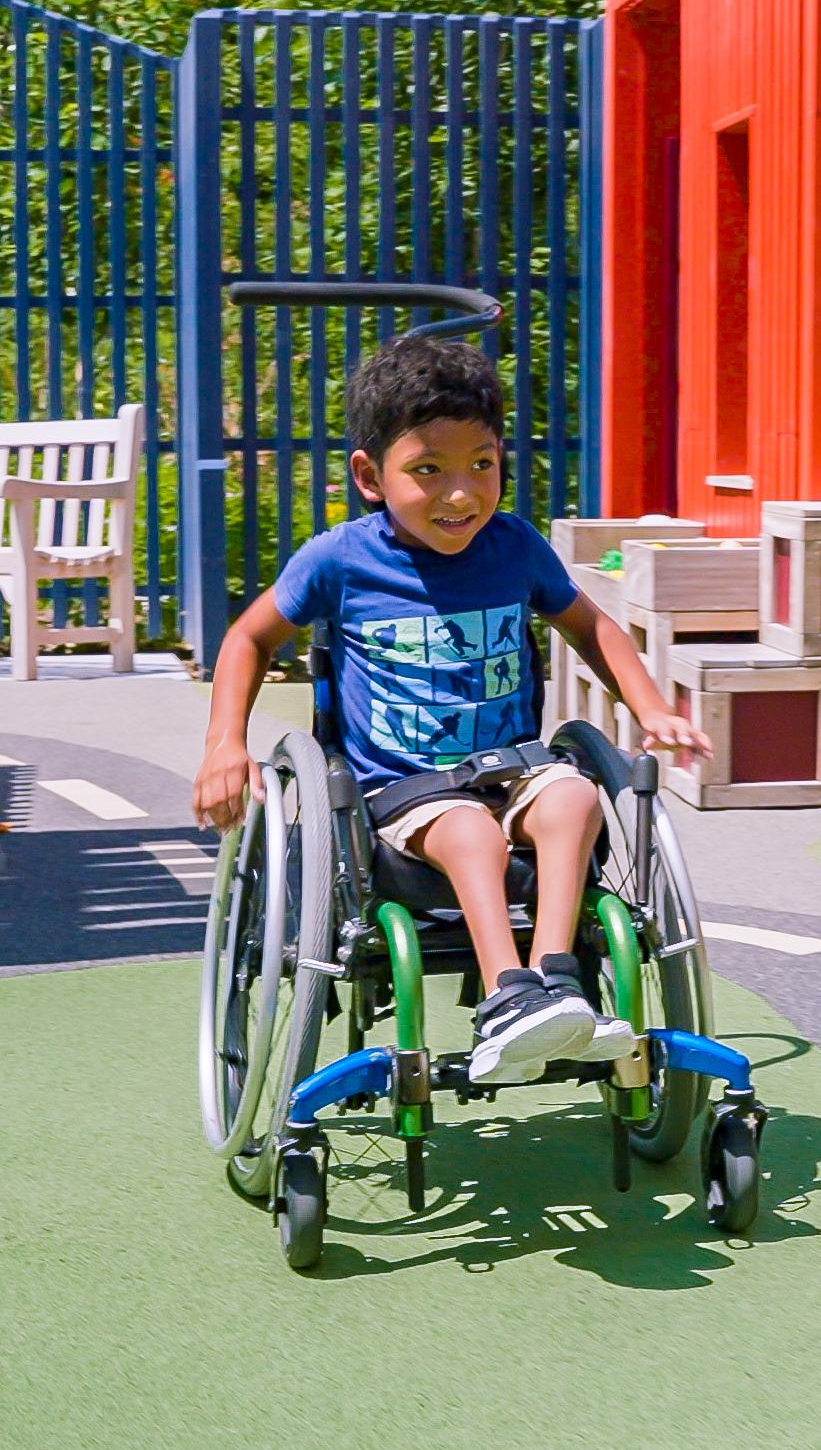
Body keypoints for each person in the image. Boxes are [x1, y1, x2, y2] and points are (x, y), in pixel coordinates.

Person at [191, 334, 711, 1083]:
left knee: (572, 795)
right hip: (400, 799)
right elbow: (248, 636)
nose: (460, 493)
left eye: (481, 466)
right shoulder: (340, 560)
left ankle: (557, 981)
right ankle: (506, 999)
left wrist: (651, 707)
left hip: (511, 776)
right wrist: (223, 745)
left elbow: (592, 625)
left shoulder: (514, 548)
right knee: (468, 829)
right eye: (427, 470)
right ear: (370, 477)